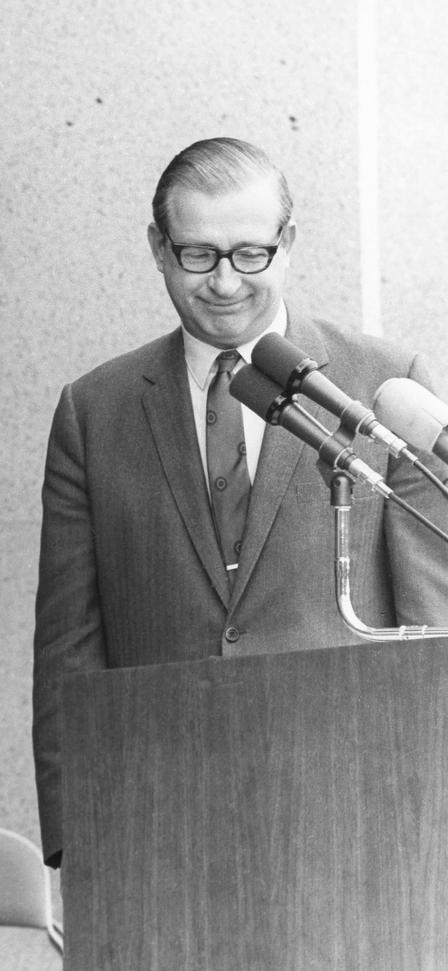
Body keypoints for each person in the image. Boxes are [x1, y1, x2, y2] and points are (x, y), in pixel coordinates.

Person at [32, 137, 448, 868]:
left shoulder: (384, 385)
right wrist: (76, 832)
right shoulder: (92, 411)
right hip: (158, 819)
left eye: (250, 253)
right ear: (158, 248)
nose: (225, 281)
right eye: (199, 254)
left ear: (288, 244)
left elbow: (432, 624)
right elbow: (68, 644)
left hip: (359, 817)